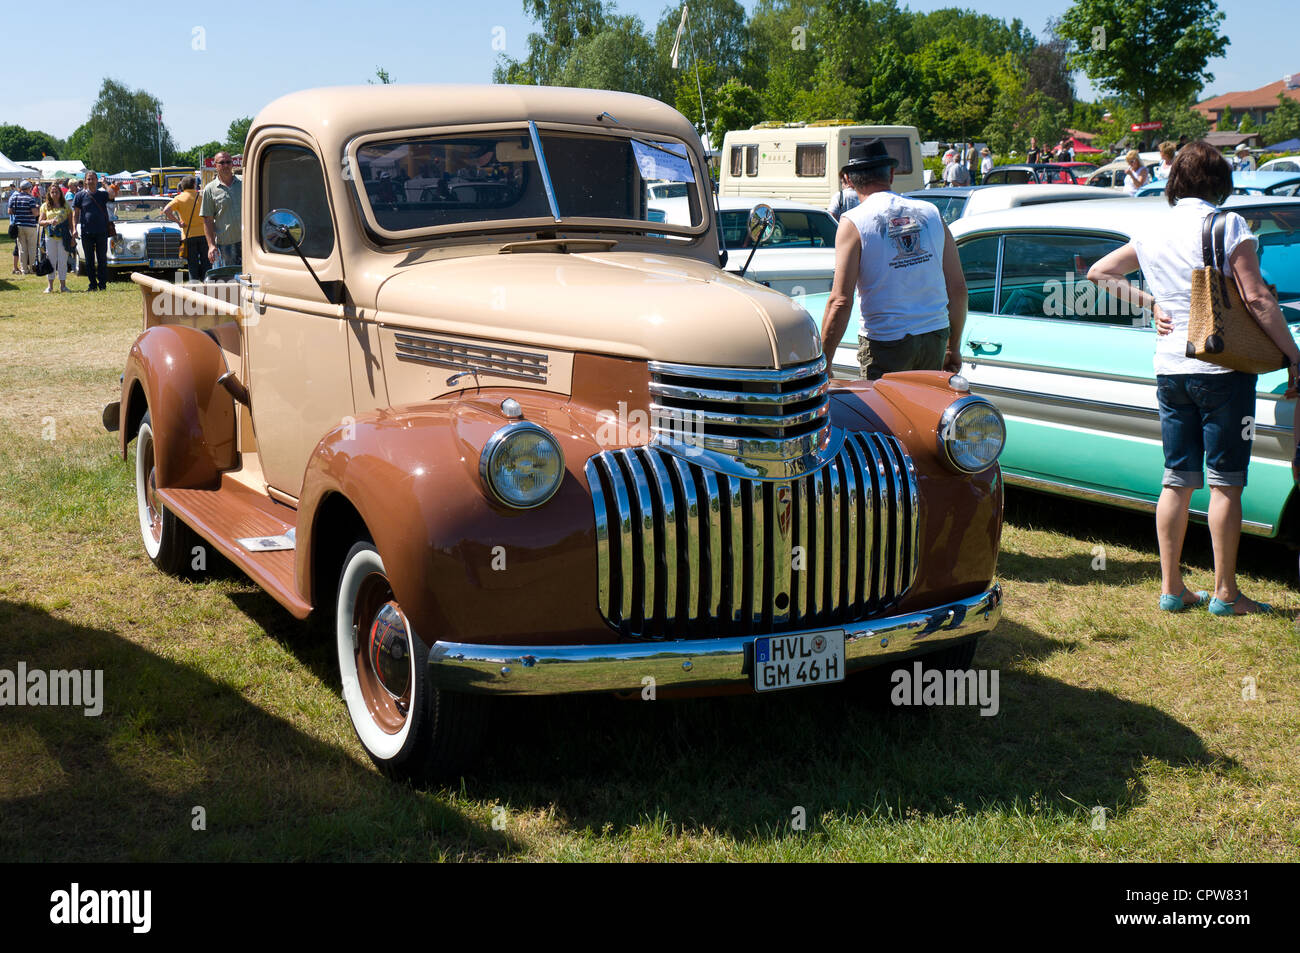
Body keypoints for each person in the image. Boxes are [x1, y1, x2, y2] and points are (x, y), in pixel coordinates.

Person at [1088, 141, 1300, 615]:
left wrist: (1153, 304)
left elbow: (1100, 272)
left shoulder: (1151, 225)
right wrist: (1292, 354)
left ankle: (1172, 588)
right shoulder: (1228, 224)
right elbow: (1258, 298)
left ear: (1176, 180)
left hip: (1169, 366)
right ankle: (1225, 593)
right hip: (1221, 367)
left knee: (1176, 479)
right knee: (1226, 482)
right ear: (1220, 180)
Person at [820, 138, 967, 381]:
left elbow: (840, 301)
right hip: (934, 336)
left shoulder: (853, 222)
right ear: (891, 173)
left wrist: (824, 362)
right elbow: (958, 288)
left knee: (885, 418)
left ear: (848, 180)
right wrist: (953, 346)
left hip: (885, 341)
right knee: (926, 415)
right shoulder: (930, 212)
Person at [71, 171, 114, 291]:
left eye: (93, 179)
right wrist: (74, 228)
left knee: (102, 259)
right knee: (89, 260)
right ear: (85, 181)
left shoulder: (102, 194)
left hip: (101, 231)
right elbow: (76, 213)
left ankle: (102, 284)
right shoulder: (79, 195)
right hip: (86, 232)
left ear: (97, 180)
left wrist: (105, 184)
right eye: (88, 179)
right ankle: (92, 284)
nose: (91, 181)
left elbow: (112, 195)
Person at [201, 151, 242, 269]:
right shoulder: (210, 189)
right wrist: (211, 245)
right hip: (225, 247)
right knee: (229, 283)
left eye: (228, 162)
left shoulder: (245, 182)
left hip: (249, 243)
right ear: (215, 166)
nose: (225, 165)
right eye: (221, 163)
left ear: (233, 164)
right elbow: (208, 220)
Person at [164, 175, 208, 280]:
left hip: (188, 234)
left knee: (192, 263)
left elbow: (166, 210)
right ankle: (207, 282)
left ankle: (194, 283)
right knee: (206, 261)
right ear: (194, 185)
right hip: (204, 233)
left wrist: (178, 222)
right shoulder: (201, 197)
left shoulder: (179, 198)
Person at [36, 183, 72, 292]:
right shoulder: (45, 206)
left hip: (64, 237)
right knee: (51, 261)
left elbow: (71, 223)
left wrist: (73, 236)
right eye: (52, 192)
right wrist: (50, 221)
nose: (54, 194)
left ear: (60, 193)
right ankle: (50, 286)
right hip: (50, 237)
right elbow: (40, 222)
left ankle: (63, 286)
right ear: (49, 193)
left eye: (56, 192)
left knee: (63, 261)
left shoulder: (66, 205)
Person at [7, 179, 40, 274]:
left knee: (22, 248)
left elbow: (10, 211)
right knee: (32, 248)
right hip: (30, 225)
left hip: (19, 225)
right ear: (29, 188)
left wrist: (19, 212)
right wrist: (37, 209)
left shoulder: (14, 197)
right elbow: (35, 213)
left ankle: (24, 269)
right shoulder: (30, 198)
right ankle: (32, 269)